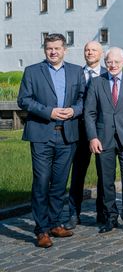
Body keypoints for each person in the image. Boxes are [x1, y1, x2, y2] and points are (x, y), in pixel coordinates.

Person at [18, 33, 85, 248]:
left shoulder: (76, 71)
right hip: (41, 134)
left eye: (57, 48)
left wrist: (74, 110)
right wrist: (50, 112)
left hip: (67, 135)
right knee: (41, 182)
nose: (53, 52)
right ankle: (41, 230)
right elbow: (24, 100)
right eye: (49, 48)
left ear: (64, 49)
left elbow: (83, 99)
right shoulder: (32, 71)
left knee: (59, 183)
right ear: (45, 50)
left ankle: (56, 223)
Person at [85, 47, 123, 234]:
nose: (112, 65)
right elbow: (89, 113)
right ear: (105, 62)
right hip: (103, 139)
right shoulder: (96, 83)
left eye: (116, 62)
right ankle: (110, 217)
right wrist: (93, 137)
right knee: (106, 180)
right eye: (109, 62)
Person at [67, 41, 106, 229]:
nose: (89, 52)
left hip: (103, 131)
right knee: (78, 174)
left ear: (101, 53)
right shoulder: (75, 73)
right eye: (87, 50)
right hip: (79, 130)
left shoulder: (108, 73)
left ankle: (102, 213)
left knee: (103, 174)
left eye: (93, 50)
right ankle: (74, 213)